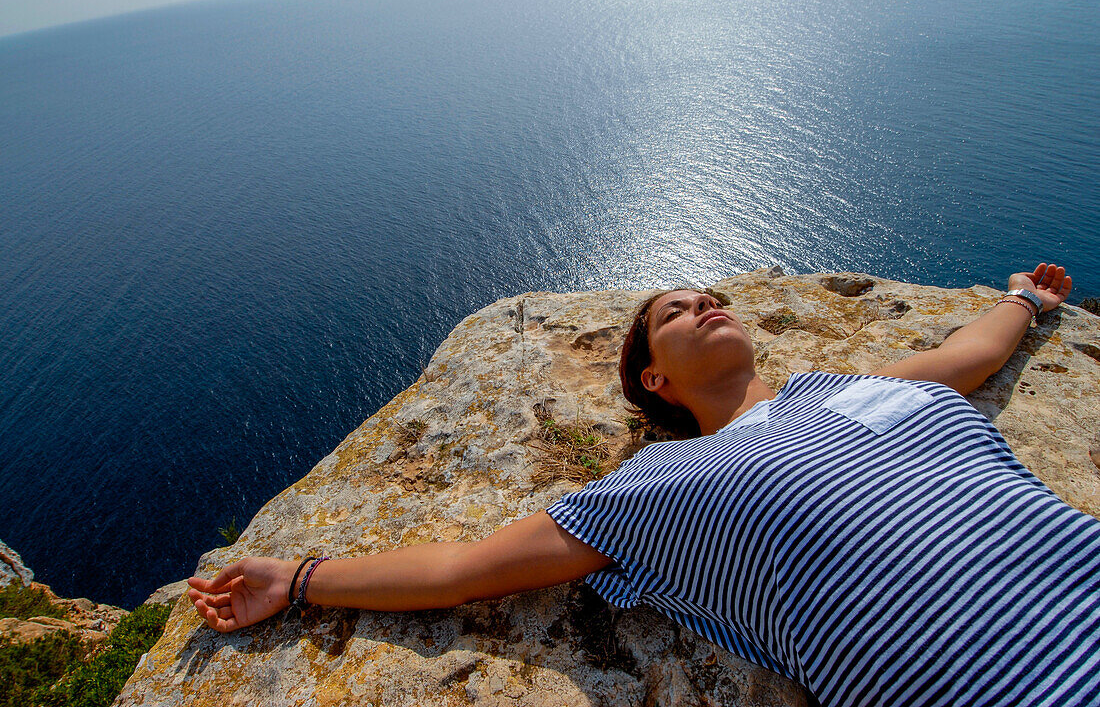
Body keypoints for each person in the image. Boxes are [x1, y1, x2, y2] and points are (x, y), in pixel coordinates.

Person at [189, 262, 1097, 706]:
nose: (706, 302)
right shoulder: (656, 484)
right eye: (677, 311)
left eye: (710, 298)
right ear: (654, 381)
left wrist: (1026, 298)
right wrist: (298, 577)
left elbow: (969, 355)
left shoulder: (856, 388)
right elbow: (464, 568)